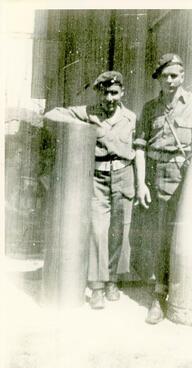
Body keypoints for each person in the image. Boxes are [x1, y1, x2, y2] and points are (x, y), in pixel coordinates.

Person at [45, 71, 136, 309]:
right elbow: (52, 113)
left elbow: (132, 151)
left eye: (114, 92)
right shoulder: (89, 112)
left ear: (122, 92)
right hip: (98, 178)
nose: (109, 98)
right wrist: (84, 123)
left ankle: (112, 281)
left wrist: (102, 133)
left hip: (124, 177)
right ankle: (96, 286)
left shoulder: (130, 118)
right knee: (98, 231)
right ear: (98, 93)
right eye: (104, 93)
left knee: (119, 232)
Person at [134, 53, 192, 324]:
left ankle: (181, 297)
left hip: (184, 179)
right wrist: (141, 183)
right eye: (164, 76)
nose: (169, 80)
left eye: (174, 75)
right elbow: (140, 148)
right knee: (158, 238)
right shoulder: (150, 108)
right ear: (158, 78)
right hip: (156, 178)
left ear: (183, 76)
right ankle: (157, 297)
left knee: (183, 238)